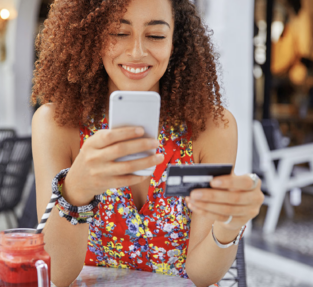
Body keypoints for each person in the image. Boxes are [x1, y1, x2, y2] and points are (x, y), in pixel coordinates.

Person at [31, 0, 264, 286]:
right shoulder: (57, 125)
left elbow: (202, 275)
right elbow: (57, 274)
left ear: (175, 42)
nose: (137, 52)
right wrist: (76, 190)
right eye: (118, 33)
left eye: (155, 36)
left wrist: (231, 222)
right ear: (91, 36)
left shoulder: (212, 128)